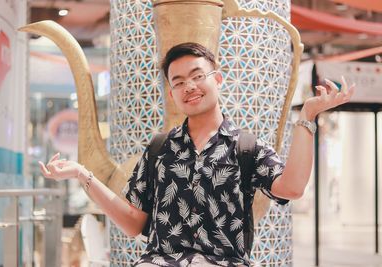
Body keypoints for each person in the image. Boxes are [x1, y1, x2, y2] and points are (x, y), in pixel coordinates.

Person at [40, 42, 354, 267]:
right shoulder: (159, 149)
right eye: (178, 82)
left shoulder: (245, 146)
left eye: (197, 75)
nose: (189, 86)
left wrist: (308, 116)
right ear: (172, 93)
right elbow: (134, 223)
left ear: (217, 79)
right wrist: (84, 175)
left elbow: (293, 187)